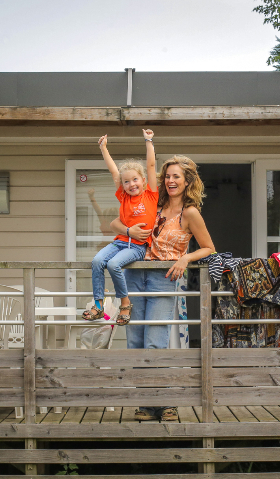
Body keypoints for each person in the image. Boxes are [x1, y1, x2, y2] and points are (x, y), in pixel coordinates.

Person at [110, 155, 215, 421]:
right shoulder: (153, 202)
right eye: (167, 176)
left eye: (176, 176)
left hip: (162, 277)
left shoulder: (190, 212)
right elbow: (114, 224)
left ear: (187, 180)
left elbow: (208, 248)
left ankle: (166, 402)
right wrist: (129, 231)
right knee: (135, 342)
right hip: (134, 274)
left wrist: (185, 258)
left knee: (155, 342)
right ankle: (145, 404)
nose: (170, 181)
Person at [82, 129, 159, 326]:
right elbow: (114, 171)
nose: (131, 184)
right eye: (126, 182)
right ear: (122, 186)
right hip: (119, 243)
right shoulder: (124, 196)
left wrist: (148, 141)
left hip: (138, 247)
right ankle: (98, 305)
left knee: (113, 265)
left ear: (143, 180)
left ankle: (125, 303)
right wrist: (103, 149)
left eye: (135, 180)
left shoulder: (150, 195)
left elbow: (150, 165)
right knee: (98, 260)